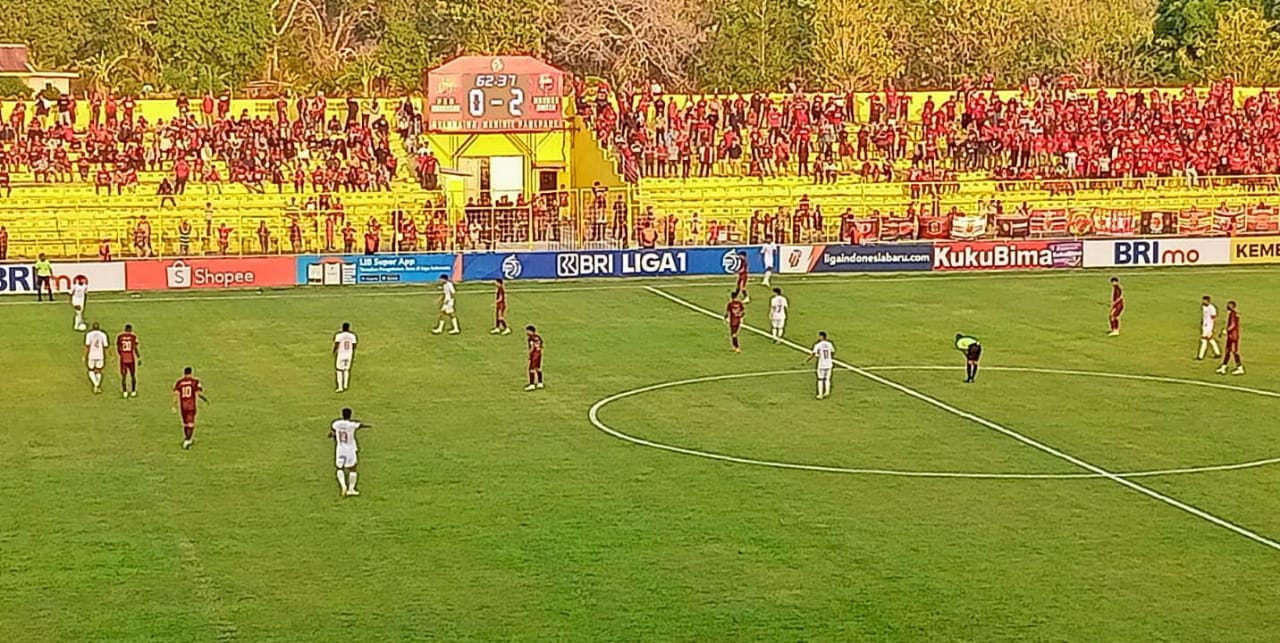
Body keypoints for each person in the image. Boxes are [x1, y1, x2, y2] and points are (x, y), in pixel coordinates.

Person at [329, 407, 371, 497]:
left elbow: (331, 433)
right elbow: (360, 425)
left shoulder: (336, 423)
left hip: (340, 449)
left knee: (339, 468)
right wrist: (368, 426)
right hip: (350, 449)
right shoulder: (351, 425)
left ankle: (343, 486)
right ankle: (351, 489)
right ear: (350, 415)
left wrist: (333, 435)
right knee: (353, 468)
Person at [172, 367, 208, 450]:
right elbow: (199, 392)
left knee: (185, 423)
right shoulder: (195, 381)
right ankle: (187, 440)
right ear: (191, 373)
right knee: (191, 423)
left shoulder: (179, 382)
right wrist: (204, 399)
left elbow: (176, 395)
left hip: (183, 406)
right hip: (191, 405)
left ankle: (187, 438)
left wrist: (174, 406)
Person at [805, 331, 836, 400]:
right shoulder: (829, 344)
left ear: (822, 337)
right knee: (827, 378)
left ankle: (820, 394)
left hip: (822, 364)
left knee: (820, 379)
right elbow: (833, 351)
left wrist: (807, 360)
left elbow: (813, 354)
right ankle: (827, 392)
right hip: (829, 363)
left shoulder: (818, 345)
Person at [1217, 301, 1244, 376]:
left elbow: (1233, 324)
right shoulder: (1234, 313)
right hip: (1231, 335)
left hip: (1233, 336)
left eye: (1229, 305)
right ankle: (1223, 367)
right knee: (1228, 351)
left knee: (1234, 351)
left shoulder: (1233, 314)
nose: (1227, 306)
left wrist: (1227, 330)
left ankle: (1240, 367)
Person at [83, 322, 109, 394]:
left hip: (91, 355)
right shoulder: (103, 334)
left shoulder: (89, 334)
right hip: (100, 355)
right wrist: (110, 355)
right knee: (98, 370)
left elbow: (87, 346)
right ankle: (97, 385)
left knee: (91, 370)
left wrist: (84, 355)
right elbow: (106, 346)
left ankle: (96, 385)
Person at [117, 323, 140, 398]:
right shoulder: (133, 336)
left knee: (123, 376)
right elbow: (135, 347)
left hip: (123, 358)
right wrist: (138, 356)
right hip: (131, 358)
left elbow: (118, 348)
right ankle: (133, 391)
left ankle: (125, 392)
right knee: (133, 375)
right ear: (130, 329)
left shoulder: (120, 337)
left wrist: (121, 355)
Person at [333, 322, 358, 393]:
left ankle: (340, 387)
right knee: (346, 369)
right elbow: (354, 345)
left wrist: (334, 351)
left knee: (339, 370)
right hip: (349, 354)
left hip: (341, 354)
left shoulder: (339, 335)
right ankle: (346, 385)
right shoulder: (352, 335)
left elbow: (336, 344)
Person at [1197, 295, 1221, 361]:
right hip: (1204, 326)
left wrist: (1213, 328)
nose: (1203, 302)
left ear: (1208, 301)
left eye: (1204, 300)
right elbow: (1204, 317)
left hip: (1209, 326)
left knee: (1204, 340)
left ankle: (1200, 356)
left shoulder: (1212, 308)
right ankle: (1217, 353)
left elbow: (1214, 319)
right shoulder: (1203, 307)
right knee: (1210, 340)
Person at [525, 325, 544, 391]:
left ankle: (532, 384)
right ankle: (540, 383)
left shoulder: (531, 338)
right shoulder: (538, 337)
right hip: (539, 353)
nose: (527, 332)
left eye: (528, 331)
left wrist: (530, 354)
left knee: (531, 369)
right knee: (538, 368)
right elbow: (541, 345)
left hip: (534, 355)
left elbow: (532, 347)